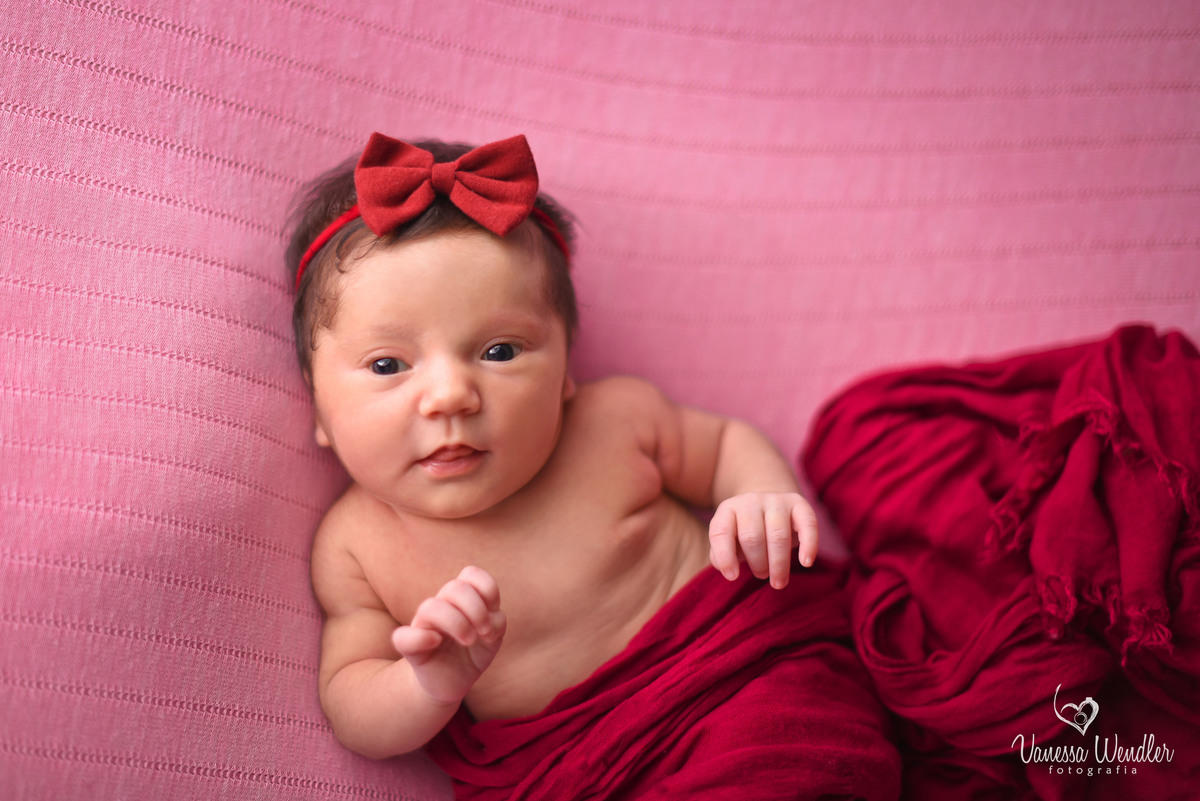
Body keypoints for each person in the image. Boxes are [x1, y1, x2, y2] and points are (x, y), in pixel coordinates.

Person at [288, 133, 821, 761]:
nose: (450, 396)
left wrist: (760, 491)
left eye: (500, 352)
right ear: (319, 407)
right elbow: (354, 708)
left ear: (566, 369)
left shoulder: (614, 420)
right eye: (386, 365)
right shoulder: (358, 544)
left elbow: (726, 444)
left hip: (745, 671)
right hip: (585, 763)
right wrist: (426, 684)